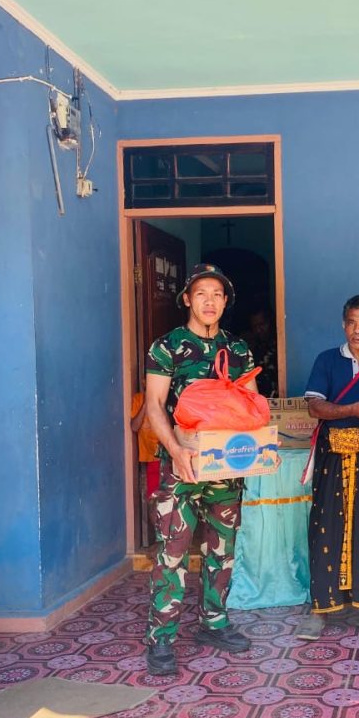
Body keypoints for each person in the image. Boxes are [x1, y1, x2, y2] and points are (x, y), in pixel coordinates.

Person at [143, 263, 256, 676]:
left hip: (224, 470)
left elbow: (251, 408)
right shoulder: (168, 346)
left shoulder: (238, 350)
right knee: (172, 553)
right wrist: (174, 450)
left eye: (218, 294)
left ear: (226, 302)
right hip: (182, 468)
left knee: (220, 551)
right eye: (202, 293)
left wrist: (253, 450)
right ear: (187, 299)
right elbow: (155, 405)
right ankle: (161, 639)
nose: (210, 301)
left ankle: (214, 622)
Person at [296, 295, 359, 641]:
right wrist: (353, 409)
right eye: (352, 322)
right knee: (324, 526)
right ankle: (319, 609)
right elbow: (314, 407)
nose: (358, 329)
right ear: (344, 325)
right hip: (331, 456)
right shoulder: (327, 361)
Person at [247, 306, 278, 398]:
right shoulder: (252, 349)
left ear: (270, 322)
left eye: (262, 324)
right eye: (255, 326)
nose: (259, 330)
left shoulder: (281, 347)